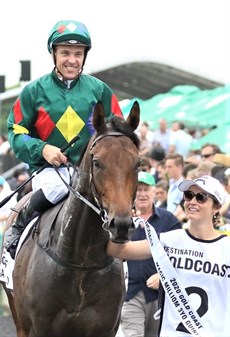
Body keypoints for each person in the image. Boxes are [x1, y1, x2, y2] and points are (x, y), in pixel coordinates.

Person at [5, 19, 123, 259]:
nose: (72, 59)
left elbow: (117, 129)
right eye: (66, 53)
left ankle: (122, 262)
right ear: (54, 54)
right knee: (57, 187)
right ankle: (19, 226)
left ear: (84, 57)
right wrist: (43, 149)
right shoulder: (33, 91)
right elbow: (16, 132)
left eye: (78, 54)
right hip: (51, 172)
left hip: (90, 171)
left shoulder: (99, 90)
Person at [107, 175, 230, 337]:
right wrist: (122, 223)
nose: (192, 201)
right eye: (188, 195)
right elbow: (117, 250)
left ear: (216, 207)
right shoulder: (169, 240)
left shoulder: (226, 248)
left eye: (201, 197)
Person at [120, 171, 182, 337]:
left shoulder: (169, 220)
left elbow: (181, 255)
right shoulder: (121, 220)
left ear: (154, 191)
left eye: (146, 189)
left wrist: (162, 275)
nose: (142, 194)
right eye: (137, 189)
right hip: (129, 294)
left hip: (160, 295)